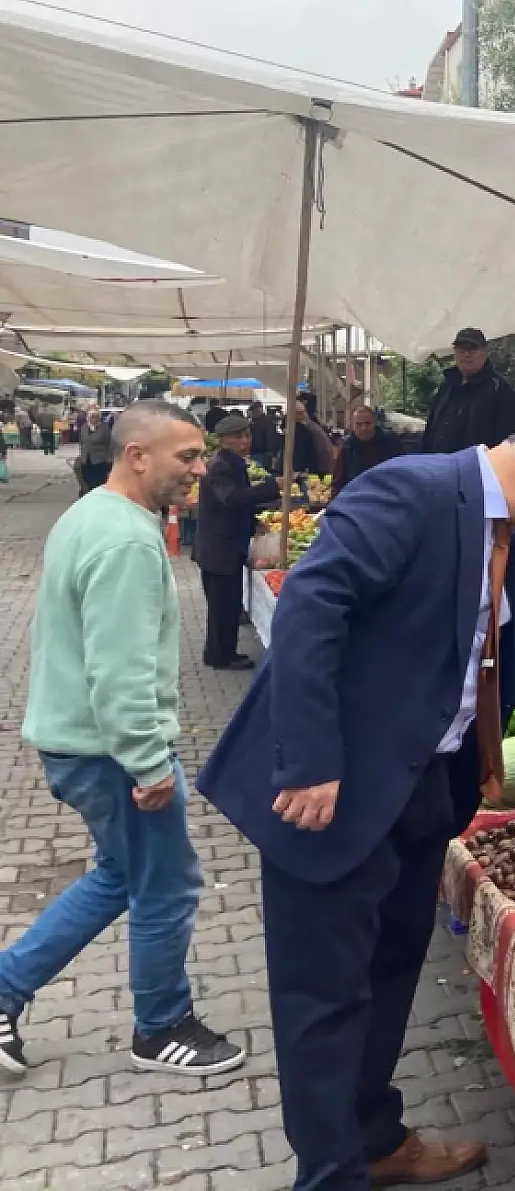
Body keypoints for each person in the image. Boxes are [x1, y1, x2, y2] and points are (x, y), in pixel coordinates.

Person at [197, 410, 515, 1191]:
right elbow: (312, 605)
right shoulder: (409, 492)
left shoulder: (504, 532)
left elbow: (508, 649)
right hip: (331, 796)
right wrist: (308, 760)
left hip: (419, 796)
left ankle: (376, 1141)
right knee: (323, 1002)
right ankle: (330, 1175)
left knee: (389, 975)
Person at [0, 401, 246, 1080]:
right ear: (137, 455)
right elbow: (119, 670)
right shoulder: (128, 541)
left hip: (78, 744)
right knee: (166, 887)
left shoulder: (90, 515)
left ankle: (3, 990)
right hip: (109, 752)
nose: (199, 469)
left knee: (120, 876)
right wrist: (148, 763)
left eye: (201, 456)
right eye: (187, 457)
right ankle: (161, 1026)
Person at [194, 414, 281, 671]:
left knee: (226, 603)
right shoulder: (222, 464)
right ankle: (223, 655)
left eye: (247, 435)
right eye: (238, 437)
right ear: (223, 440)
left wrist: (254, 522)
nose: (245, 441)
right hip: (220, 548)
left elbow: (234, 506)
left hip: (223, 545)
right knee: (224, 604)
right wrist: (269, 487)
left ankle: (217, 651)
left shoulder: (233, 462)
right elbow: (231, 499)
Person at [421, 328, 515, 455]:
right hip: (438, 467)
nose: (466, 355)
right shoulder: (446, 387)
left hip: (475, 470)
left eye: (473, 349)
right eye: (462, 350)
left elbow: (507, 444)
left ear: (485, 352)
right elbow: (430, 430)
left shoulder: (500, 392)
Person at [330, 404, 405, 501]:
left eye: (367, 423)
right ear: (352, 425)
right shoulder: (346, 447)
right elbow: (338, 482)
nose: (363, 428)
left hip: (386, 498)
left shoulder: (390, 442)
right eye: (359, 424)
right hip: (356, 500)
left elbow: (402, 474)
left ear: (374, 423)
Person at [284, 395, 336, 477]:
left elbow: (304, 452)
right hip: (324, 464)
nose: (304, 414)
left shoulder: (303, 429)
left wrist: (304, 471)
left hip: (319, 466)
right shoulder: (311, 425)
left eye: (303, 412)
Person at [80, 409, 115, 494]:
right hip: (86, 460)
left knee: (98, 482)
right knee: (87, 480)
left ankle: (98, 496)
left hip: (100, 460)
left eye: (95, 417)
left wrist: (109, 458)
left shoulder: (104, 428)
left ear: (99, 418)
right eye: (91, 417)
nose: (93, 419)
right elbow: (82, 442)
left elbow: (110, 444)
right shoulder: (84, 427)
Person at [248, 402, 280, 470]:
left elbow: (257, 440)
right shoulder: (270, 422)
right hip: (267, 453)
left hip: (258, 453)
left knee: (257, 472)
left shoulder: (255, 424)